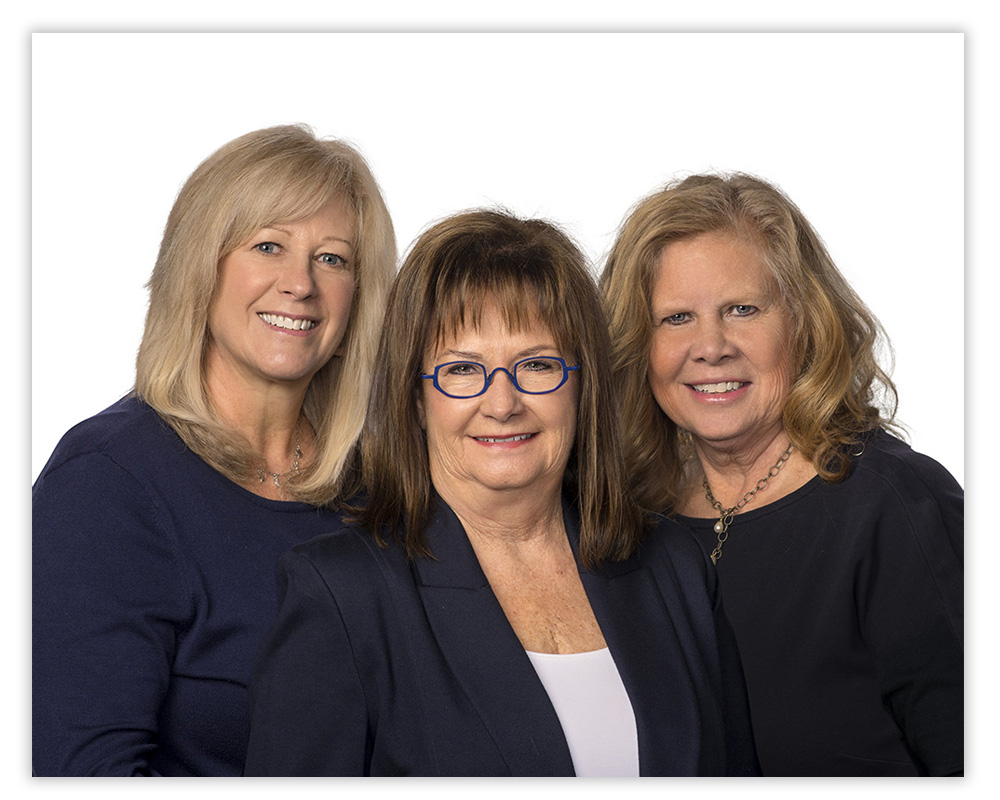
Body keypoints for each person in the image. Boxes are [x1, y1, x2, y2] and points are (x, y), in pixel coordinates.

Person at [243, 209, 759, 777]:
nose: (503, 402)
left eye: (536, 365)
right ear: (415, 398)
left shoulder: (673, 564)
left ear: (582, 385)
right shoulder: (341, 594)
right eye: (462, 370)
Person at [32, 125, 397, 776]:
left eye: (333, 258)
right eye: (268, 246)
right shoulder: (107, 485)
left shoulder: (377, 485)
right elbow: (78, 777)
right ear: (200, 269)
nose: (300, 284)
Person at [599, 172, 963, 776]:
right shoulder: (631, 521)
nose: (711, 346)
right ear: (639, 344)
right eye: (676, 318)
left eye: (743, 310)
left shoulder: (897, 507)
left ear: (803, 319)